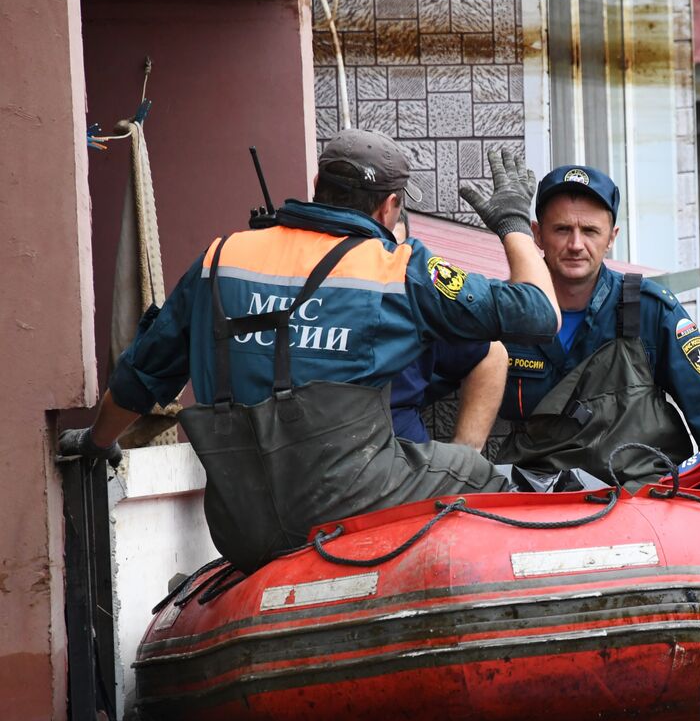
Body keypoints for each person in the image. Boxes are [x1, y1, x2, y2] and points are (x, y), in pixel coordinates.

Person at [57, 130, 561, 572]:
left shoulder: (221, 258)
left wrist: (97, 443)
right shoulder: (397, 270)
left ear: (317, 185)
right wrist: (513, 223)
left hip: (241, 528)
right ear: (390, 207)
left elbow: (139, 379)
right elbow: (540, 314)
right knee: (474, 472)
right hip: (353, 506)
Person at [399, 164, 700, 486]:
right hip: (538, 502)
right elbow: (408, 389)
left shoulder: (651, 310)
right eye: (562, 229)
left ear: (612, 237)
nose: (576, 244)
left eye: (590, 231)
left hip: (641, 498)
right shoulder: (502, 313)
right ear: (537, 234)